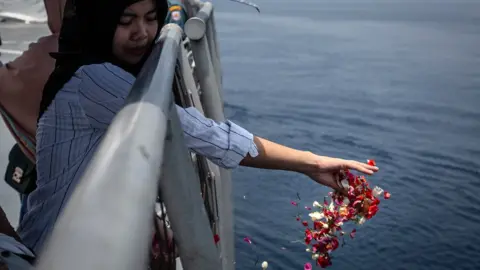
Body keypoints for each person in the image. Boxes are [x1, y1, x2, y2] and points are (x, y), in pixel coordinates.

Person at [18, 0, 379, 256]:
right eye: (125, 20)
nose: (142, 32)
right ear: (100, 20)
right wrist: (311, 162)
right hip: (55, 252)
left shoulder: (96, 67)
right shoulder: (96, 79)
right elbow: (210, 136)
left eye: (150, 17)